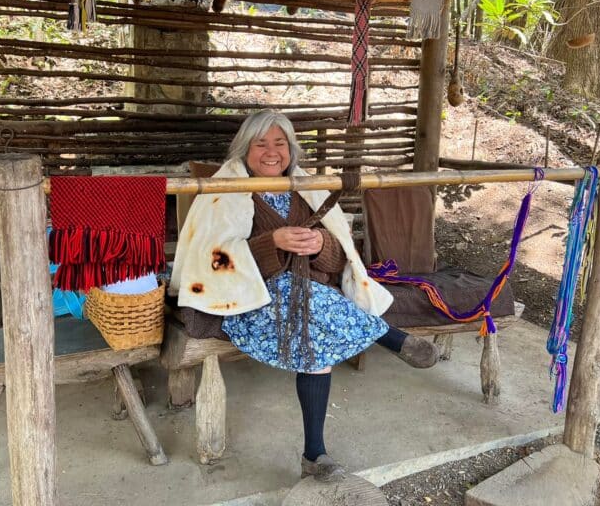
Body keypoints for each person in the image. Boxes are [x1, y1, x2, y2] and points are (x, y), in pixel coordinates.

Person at [169, 110, 437, 483]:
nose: (271, 152)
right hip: (248, 303)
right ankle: (390, 338)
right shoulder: (222, 190)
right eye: (261, 144)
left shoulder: (308, 187)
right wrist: (271, 243)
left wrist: (320, 244)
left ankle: (315, 455)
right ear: (245, 149)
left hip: (306, 303)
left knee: (311, 324)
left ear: (291, 149)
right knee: (303, 302)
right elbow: (210, 259)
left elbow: (341, 255)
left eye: (280, 143)